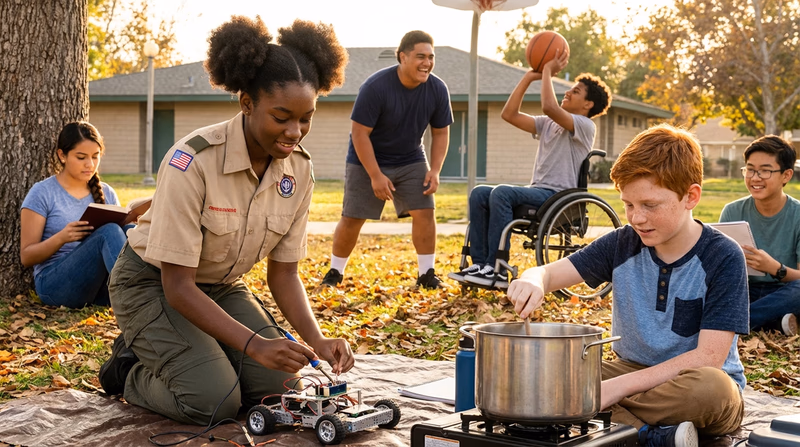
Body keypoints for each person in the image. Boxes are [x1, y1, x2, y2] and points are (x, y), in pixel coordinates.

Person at [98, 16, 354, 426]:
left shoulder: (299, 171)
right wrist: (253, 344)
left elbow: (285, 273)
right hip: (152, 283)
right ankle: (129, 368)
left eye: (306, 118)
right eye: (282, 116)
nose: (295, 132)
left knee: (282, 388)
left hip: (218, 286)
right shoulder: (192, 161)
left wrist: (317, 339)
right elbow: (177, 286)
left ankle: (200, 359)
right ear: (247, 103)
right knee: (214, 401)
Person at [507, 125, 748, 446]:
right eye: (628, 205)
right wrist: (531, 279)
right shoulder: (622, 243)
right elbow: (548, 274)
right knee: (540, 379)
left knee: (711, 389)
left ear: (691, 196)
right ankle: (650, 436)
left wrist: (616, 390)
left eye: (649, 205)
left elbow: (707, 359)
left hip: (694, 381)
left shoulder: (724, 255)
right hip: (628, 367)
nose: (636, 218)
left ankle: (607, 420)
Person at [451, 50, 611, 288]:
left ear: (588, 105)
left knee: (502, 192)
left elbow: (549, 106)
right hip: (538, 192)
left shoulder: (584, 125)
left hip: (557, 197)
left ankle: (498, 269)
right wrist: (529, 77)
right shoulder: (548, 124)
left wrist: (547, 71)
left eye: (575, 91)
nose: (568, 92)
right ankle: (482, 265)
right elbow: (509, 114)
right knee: (479, 193)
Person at [320, 30, 453, 290]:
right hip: (367, 157)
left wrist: (435, 169)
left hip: (411, 156)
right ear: (402, 57)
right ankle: (335, 271)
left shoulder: (437, 89)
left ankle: (426, 274)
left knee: (425, 211)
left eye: (431, 57)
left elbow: (441, 132)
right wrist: (375, 175)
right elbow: (359, 133)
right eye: (420, 56)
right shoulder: (376, 86)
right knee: (352, 217)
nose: (426, 62)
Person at [20, 121, 128, 308]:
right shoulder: (42, 192)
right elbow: (27, 257)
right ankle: (138, 301)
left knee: (130, 229)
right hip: (55, 286)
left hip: (98, 288)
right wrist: (61, 238)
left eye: (95, 157)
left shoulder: (107, 192)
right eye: (81, 157)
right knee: (108, 232)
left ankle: (147, 294)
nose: (90, 164)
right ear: (62, 155)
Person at [720, 135, 800, 336]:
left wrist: (774, 268)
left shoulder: (798, 214)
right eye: (750, 169)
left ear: (786, 175)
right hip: (744, 291)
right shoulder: (732, 211)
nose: (755, 178)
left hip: (785, 291)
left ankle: (733, 322)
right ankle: (775, 322)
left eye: (765, 171)